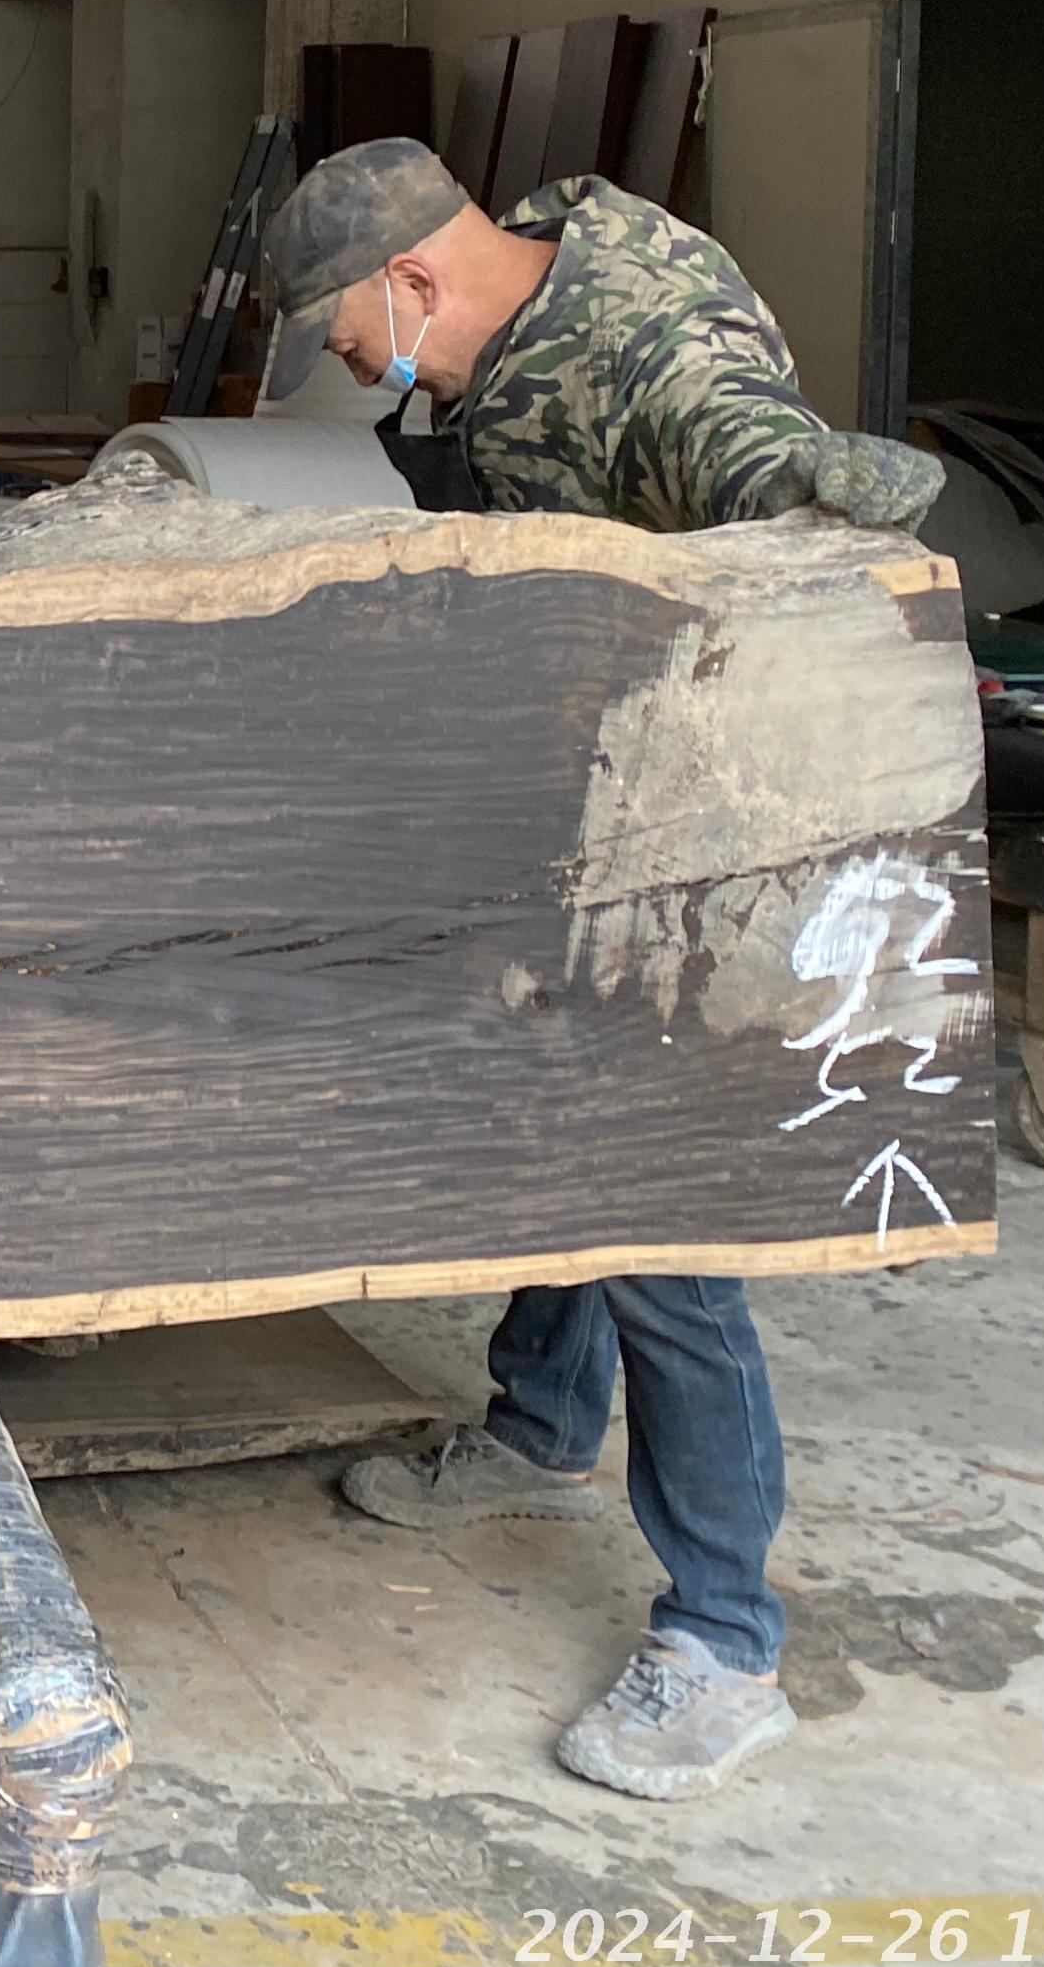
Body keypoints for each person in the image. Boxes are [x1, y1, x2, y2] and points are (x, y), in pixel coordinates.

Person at [250, 137, 938, 1803]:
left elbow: (773, 474)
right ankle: (544, 1427)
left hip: (709, 838)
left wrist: (814, 490)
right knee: (546, 1140)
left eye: (348, 332)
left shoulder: (654, 356)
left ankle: (725, 1642)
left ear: (415, 278)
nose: (351, 361)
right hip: (586, 806)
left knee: (662, 1233)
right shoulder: (523, 284)